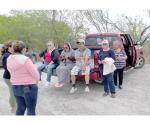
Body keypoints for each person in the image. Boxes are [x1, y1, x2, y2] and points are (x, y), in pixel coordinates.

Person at [7, 41, 39, 115]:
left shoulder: (9, 58)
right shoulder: (25, 60)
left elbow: (10, 71)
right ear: (23, 49)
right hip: (29, 87)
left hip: (15, 87)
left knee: (20, 108)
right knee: (31, 110)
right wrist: (37, 79)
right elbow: (36, 75)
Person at [1, 41, 16, 113]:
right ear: (9, 47)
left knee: (13, 91)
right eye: (13, 46)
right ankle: (13, 107)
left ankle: (14, 106)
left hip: (9, 77)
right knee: (12, 92)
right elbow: (8, 68)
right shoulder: (7, 55)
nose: (15, 47)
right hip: (8, 77)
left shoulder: (10, 54)